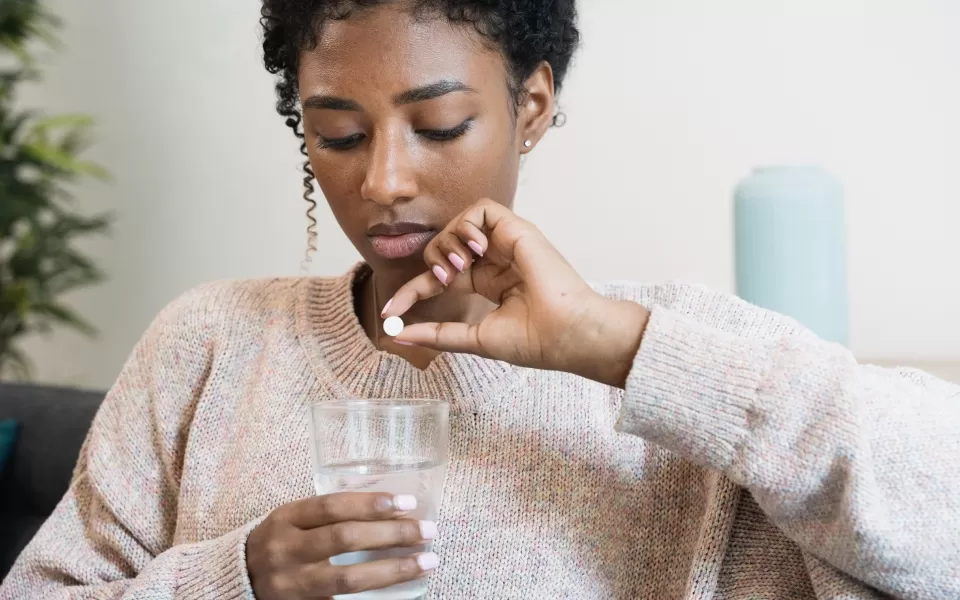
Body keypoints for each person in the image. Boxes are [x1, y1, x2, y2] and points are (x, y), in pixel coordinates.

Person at [2, 1, 958, 599]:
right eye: (336, 134)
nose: (383, 180)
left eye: (440, 124)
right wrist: (235, 580)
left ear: (532, 104)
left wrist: (614, 347)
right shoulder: (208, 343)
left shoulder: (679, 349)